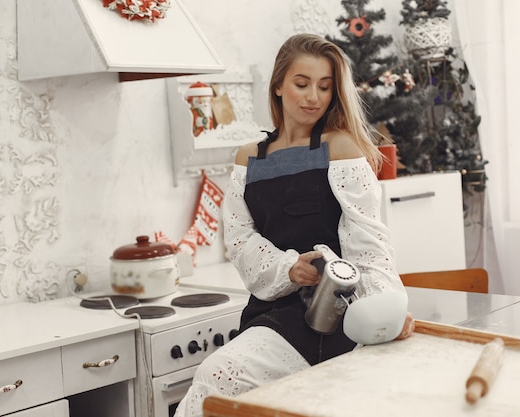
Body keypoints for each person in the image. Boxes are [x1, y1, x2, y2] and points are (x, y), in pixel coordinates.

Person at [173, 33, 415, 417]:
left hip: (335, 318)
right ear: (279, 86)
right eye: (302, 84)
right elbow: (239, 240)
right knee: (216, 380)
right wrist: (289, 267)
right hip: (272, 313)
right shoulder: (248, 159)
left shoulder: (341, 148)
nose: (313, 97)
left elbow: (369, 245)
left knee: (217, 380)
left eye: (324, 87)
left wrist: (386, 311)